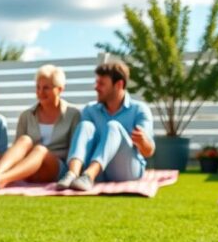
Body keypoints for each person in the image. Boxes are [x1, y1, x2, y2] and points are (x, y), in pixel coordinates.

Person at [0, 65, 81, 191]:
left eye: (46, 88)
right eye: (38, 87)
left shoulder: (73, 114)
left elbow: (75, 151)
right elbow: (18, 150)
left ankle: (1, 180)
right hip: (29, 168)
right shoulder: (26, 116)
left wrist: (44, 154)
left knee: (40, 149)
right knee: (24, 139)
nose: (40, 92)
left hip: (56, 168)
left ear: (60, 89)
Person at [57, 61, 155, 191]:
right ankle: (72, 174)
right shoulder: (90, 110)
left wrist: (143, 142)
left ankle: (88, 176)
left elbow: (149, 151)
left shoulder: (139, 110)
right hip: (100, 174)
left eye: (101, 84)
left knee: (113, 126)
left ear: (119, 84)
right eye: (96, 82)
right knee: (85, 125)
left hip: (127, 171)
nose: (96, 87)